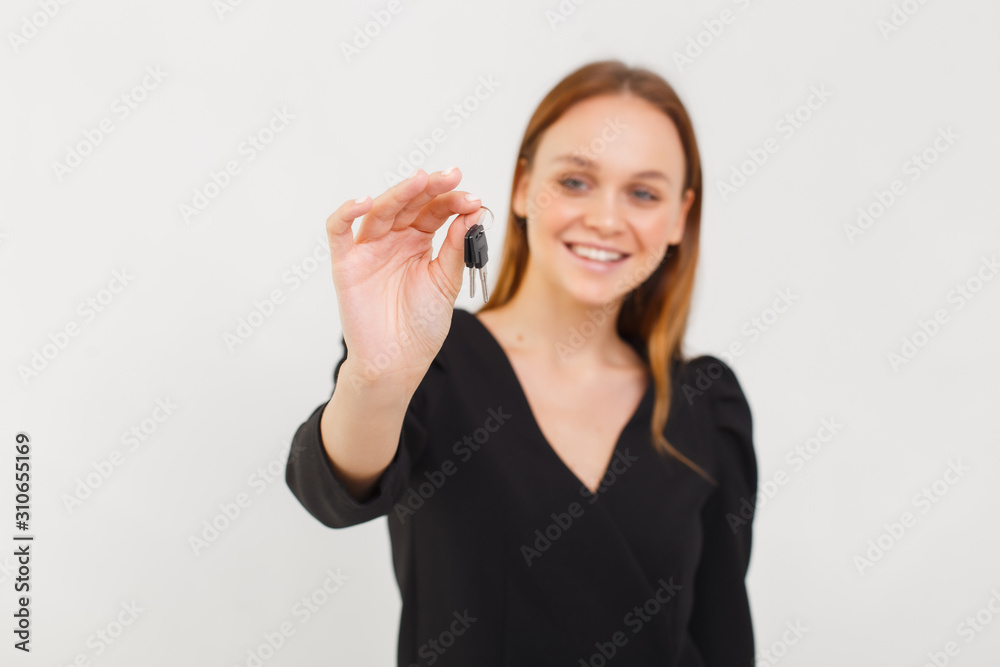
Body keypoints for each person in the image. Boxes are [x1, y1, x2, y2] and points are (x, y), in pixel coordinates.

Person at [285, 59, 758, 666]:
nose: (606, 219)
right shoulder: (435, 362)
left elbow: (724, 642)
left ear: (678, 217)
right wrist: (377, 374)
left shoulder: (704, 402)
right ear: (521, 187)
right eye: (575, 181)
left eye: (643, 193)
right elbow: (330, 491)